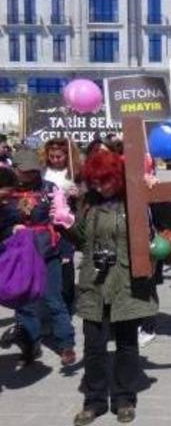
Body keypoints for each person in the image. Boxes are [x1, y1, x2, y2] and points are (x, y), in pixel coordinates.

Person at [68, 150, 159, 425]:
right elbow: (80, 239)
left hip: (127, 282)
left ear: (117, 177)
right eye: (95, 182)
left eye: (105, 181)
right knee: (94, 346)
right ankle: (94, 401)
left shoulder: (133, 198)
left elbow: (157, 228)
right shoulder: (88, 202)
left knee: (127, 345)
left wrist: (150, 191)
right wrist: (66, 219)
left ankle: (124, 399)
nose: (100, 187)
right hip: (94, 283)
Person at [3, 149, 76, 366]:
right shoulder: (6, 192)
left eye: (33, 170)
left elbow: (61, 222)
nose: (30, 175)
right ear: (16, 169)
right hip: (19, 254)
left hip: (47, 249)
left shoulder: (49, 189)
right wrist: (10, 230)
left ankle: (66, 343)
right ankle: (30, 345)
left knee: (54, 298)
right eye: (25, 171)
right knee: (24, 302)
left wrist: (66, 251)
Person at [40, 138, 82, 314]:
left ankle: (67, 299)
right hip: (45, 220)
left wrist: (78, 193)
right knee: (46, 259)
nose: (55, 160)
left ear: (67, 155)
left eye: (59, 156)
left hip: (66, 221)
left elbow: (86, 194)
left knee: (65, 260)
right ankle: (47, 299)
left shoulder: (74, 172)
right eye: (51, 156)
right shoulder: (43, 172)